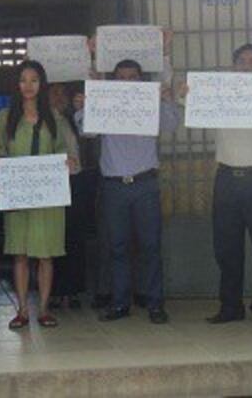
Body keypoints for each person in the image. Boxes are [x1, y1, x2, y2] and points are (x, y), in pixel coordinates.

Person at [76, 59, 179, 324]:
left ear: (141, 80)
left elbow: (170, 124)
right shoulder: (105, 103)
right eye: (121, 77)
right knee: (117, 247)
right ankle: (120, 303)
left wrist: (166, 99)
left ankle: (155, 303)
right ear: (114, 81)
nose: (126, 82)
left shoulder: (150, 103)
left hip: (145, 183)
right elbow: (86, 131)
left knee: (150, 246)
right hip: (113, 186)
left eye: (132, 77)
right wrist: (86, 105)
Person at [188, 44, 252, 327]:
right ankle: (230, 306)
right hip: (227, 177)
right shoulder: (219, 93)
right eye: (242, 61)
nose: (247, 66)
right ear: (233, 67)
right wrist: (184, 91)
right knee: (226, 247)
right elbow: (185, 101)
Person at [0, 61, 74, 329]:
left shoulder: (54, 116)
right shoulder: (7, 116)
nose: (28, 86)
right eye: (23, 80)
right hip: (17, 194)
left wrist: (68, 162)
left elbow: (65, 151)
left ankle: (43, 309)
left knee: (46, 255)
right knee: (20, 254)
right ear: (16, 85)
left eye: (34, 80)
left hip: (48, 196)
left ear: (42, 84)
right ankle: (22, 311)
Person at [48, 83, 91, 310]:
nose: (58, 97)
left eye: (62, 92)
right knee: (54, 238)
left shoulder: (74, 118)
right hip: (52, 184)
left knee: (74, 238)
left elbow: (89, 136)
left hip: (75, 181)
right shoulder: (41, 120)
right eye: (53, 92)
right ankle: (55, 291)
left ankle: (72, 291)